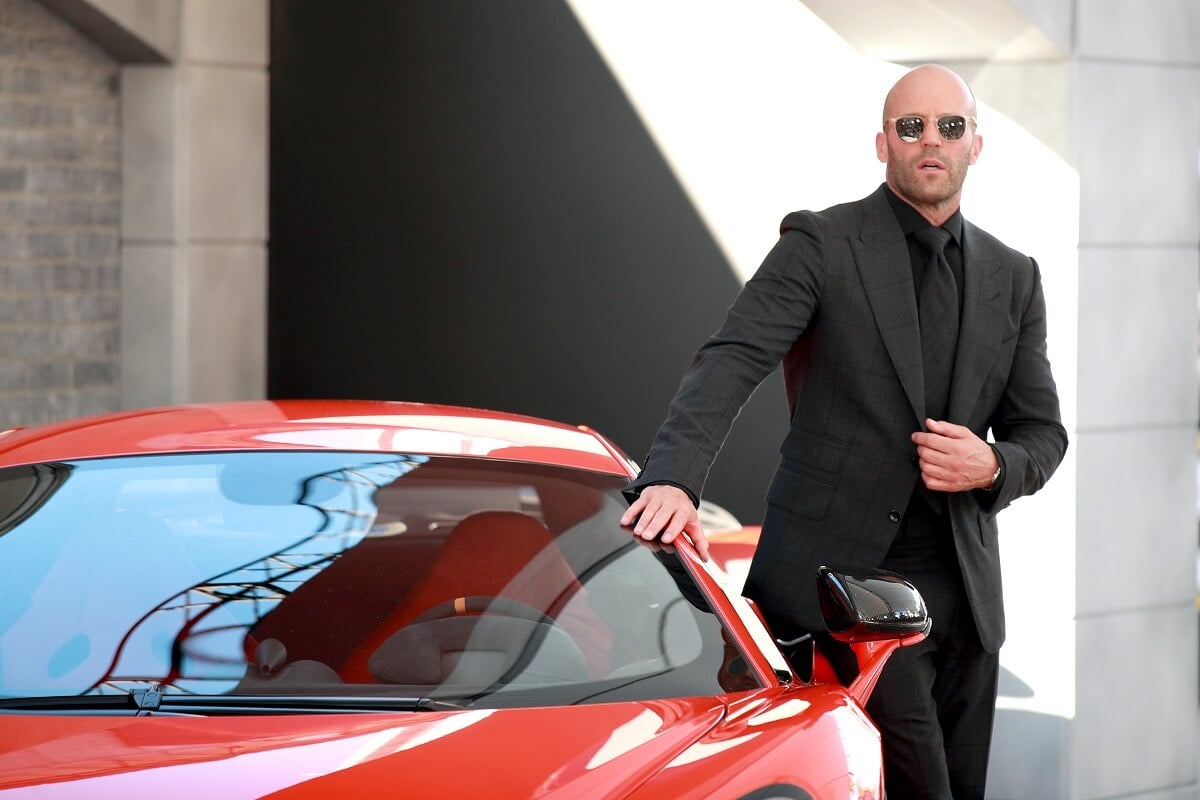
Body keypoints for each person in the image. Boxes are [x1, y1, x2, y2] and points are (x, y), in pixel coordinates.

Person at [619, 64, 1067, 800]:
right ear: (881, 143)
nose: (931, 140)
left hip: (967, 605)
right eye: (911, 126)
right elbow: (733, 356)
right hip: (845, 592)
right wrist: (674, 473)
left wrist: (991, 464)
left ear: (976, 145)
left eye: (949, 127)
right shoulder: (822, 244)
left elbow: (1042, 434)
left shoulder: (1014, 276)